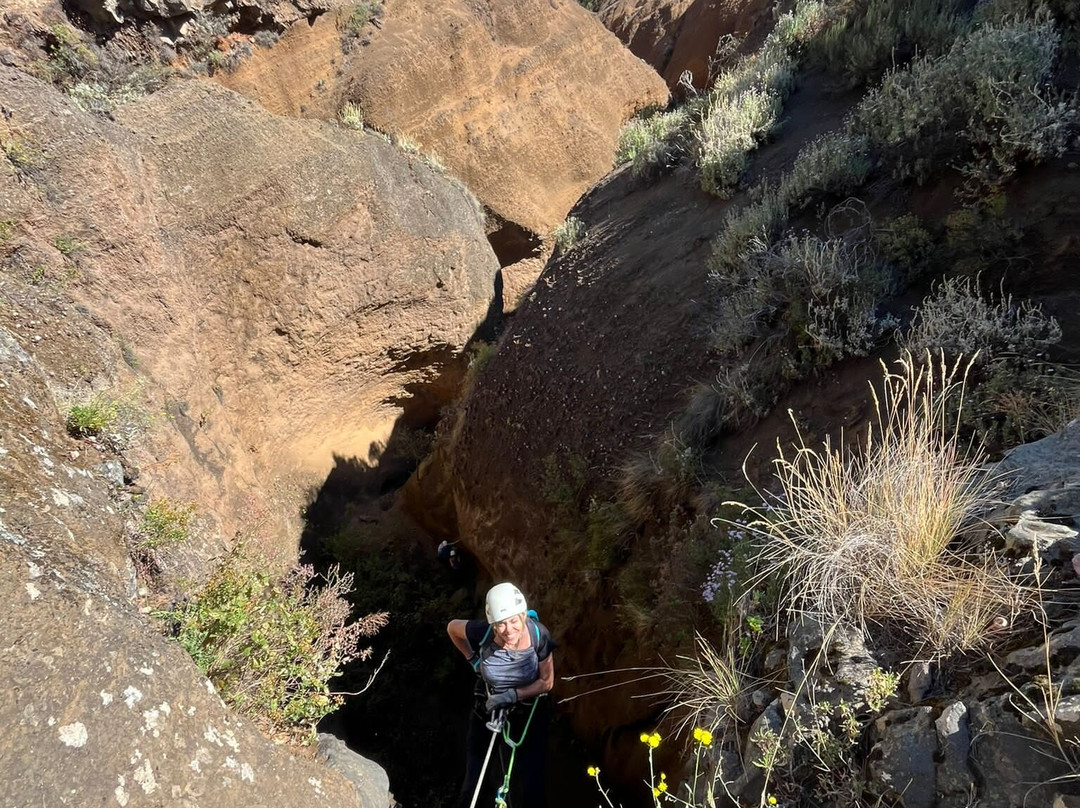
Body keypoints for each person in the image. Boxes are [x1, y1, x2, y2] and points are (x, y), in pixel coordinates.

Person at [448, 582, 555, 808]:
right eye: (501, 624)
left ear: (523, 615)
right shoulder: (483, 633)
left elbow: (547, 682)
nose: (508, 630)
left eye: (514, 621)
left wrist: (514, 695)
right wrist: (473, 660)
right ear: (493, 624)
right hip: (486, 707)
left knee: (529, 783)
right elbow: (452, 628)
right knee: (474, 777)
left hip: (528, 712)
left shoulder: (539, 635)